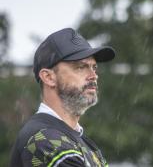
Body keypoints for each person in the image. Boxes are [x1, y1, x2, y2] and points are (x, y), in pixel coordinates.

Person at [10, 28, 115, 167]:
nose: (93, 75)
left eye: (94, 67)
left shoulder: (81, 140)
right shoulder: (44, 140)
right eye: (81, 67)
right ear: (48, 77)